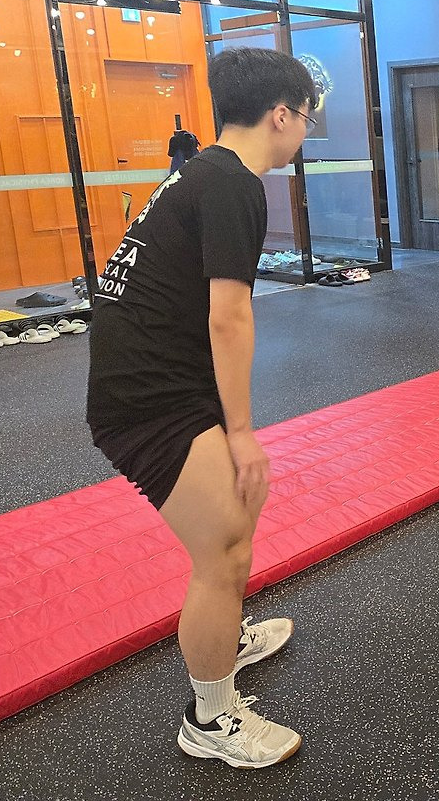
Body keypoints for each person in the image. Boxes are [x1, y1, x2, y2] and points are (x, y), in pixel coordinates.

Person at [87, 47, 318, 767]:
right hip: (146, 400)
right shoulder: (233, 185)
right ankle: (210, 721)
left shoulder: (206, 172)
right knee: (224, 546)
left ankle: (225, 634)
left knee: (237, 516)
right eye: (306, 119)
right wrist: (240, 431)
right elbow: (230, 317)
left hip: (170, 380)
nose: (303, 132)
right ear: (280, 115)